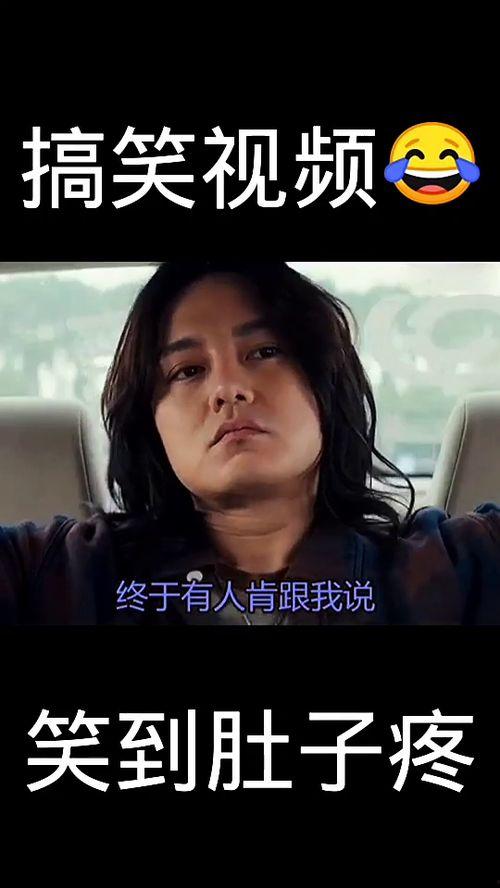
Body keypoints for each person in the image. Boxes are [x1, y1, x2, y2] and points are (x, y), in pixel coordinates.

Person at [1, 260, 499, 625]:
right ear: (152, 426)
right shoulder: (64, 576)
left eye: (264, 351)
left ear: (325, 386)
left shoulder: (454, 569)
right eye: (187, 371)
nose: (227, 389)